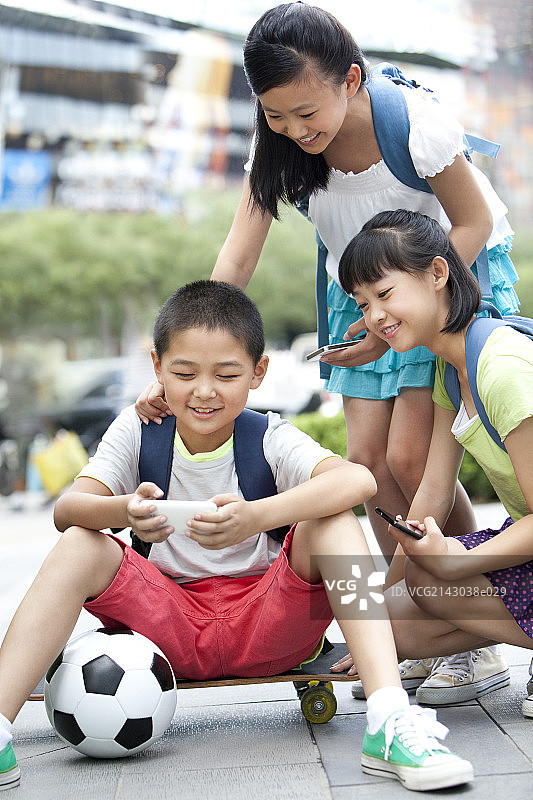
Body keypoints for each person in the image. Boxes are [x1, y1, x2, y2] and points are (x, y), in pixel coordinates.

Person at [136, 0, 516, 700]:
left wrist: (400, 312)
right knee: (365, 465)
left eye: (305, 112)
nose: (293, 130)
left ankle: (472, 633)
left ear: (348, 79)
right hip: (360, 291)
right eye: (275, 115)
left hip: (441, 278)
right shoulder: (276, 147)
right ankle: (420, 624)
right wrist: (184, 350)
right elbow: (238, 256)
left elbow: (474, 219)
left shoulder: (415, 123)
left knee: (412, 459)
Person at [0, 280, 474, 792]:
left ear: (258, 373)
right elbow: (68, 510)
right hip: (168, 625)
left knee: (334, 519)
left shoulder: (267, 435)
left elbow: (359, 481)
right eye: (184, 373)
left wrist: (255, 517)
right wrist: (125, 510)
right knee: (79, 542)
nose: (204, 391)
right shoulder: (136, 431)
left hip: (269, 623)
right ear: (156, 368)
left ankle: (388, 718)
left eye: (226, 374)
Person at [332, 209, 533, 716]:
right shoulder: (452, 369)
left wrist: (453, 561)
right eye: (363, 303)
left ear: (438, 274)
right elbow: (433, 498)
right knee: (397, 623)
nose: (375, 315)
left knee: (431, 576)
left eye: (385, 293)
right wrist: (371, 621)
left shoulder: (501, 368)